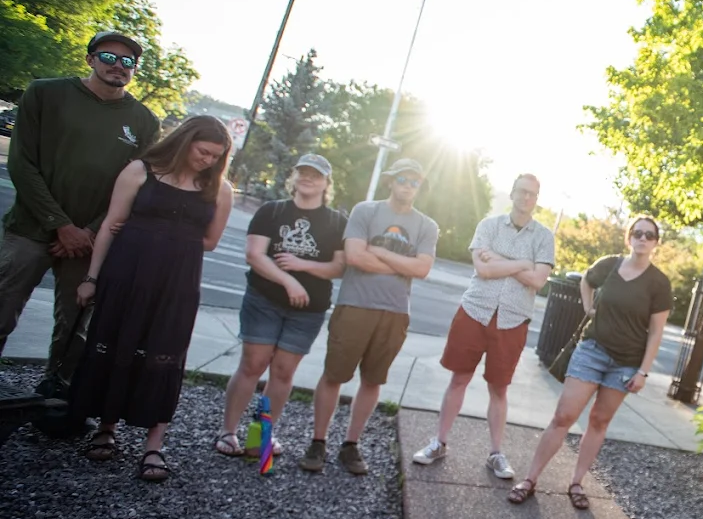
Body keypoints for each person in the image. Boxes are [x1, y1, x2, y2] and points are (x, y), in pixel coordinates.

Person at [71, 115, 234, 481]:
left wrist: (163, 233)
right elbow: (111, 224)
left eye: (216, 157)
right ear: (186, 140)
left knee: (165, 354)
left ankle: (154, 446)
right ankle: (106, 428)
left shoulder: (219, 189)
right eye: (203, 151)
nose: (208, 160)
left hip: (177, 283)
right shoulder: (139, 171)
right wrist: (91, 278)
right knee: (115, 342)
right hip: (127, 274)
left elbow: (210, 241)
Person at [0, 31, 160, 399]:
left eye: (128, 62)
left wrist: (87, 231)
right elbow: (22, 163)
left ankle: (54, 399)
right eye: (108, 57)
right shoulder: (45, 93)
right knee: (3, 307)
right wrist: (60, 225)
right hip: (29, 230)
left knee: (75, 326)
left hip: (90, 241)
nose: (118, 66)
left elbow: (136, 186)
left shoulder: (144, 121)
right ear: (90, 59)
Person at [507, 216, 671, 508]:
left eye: (649, 235)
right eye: (637, 232)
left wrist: (643, 371)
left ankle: (577, 482)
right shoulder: (609, 265)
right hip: (592, 350)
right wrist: (588, 306)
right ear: (629, 237)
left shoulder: (659, 283)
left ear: (656, 242)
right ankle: (530, 479)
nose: (642, 238)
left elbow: (656, 331)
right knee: (563, 416)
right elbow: (586, 280)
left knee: (599, 421)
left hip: (626, 363)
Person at [410, 173, 554, 480]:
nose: (527, 198)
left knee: (499, 388)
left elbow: (538, 280)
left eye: (533, 194)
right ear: (513, 193)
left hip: (513, 320)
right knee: (459, 379)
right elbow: (484, 270)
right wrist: (521, 263)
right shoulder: (488, 226)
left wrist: (502, 259)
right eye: (523, 192)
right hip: (474, 312)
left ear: (537, 199)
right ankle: (439, 442)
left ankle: (496, 453)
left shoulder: (543, 237)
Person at [301, 158, 438, 475]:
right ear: (391, 181)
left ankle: (351, 445)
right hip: (355, 306)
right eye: (402, 180)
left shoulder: (426, 226)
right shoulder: (366, 211)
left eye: (414, 182)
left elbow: (423, 268)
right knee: (334, 375)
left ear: (420, 187)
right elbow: (354, 257)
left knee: (373, 380)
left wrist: (380, 252)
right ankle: (318, 442)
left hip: (394, 313)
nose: (407, 186)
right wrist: (402, 263)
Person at [214, 153, 347, 457]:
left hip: (308, 310)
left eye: (316, 174)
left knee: (284, 372)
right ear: (293, 176)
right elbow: (255, 255)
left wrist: (301, 265)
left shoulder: (337, 222)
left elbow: (338, 268)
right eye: (302, 172)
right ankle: (228, 431)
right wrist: (289, 281)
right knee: (253, 364)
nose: (308, 178)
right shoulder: (272, 212)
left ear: (326, 182)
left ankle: (260, 436)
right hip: (264, 300)